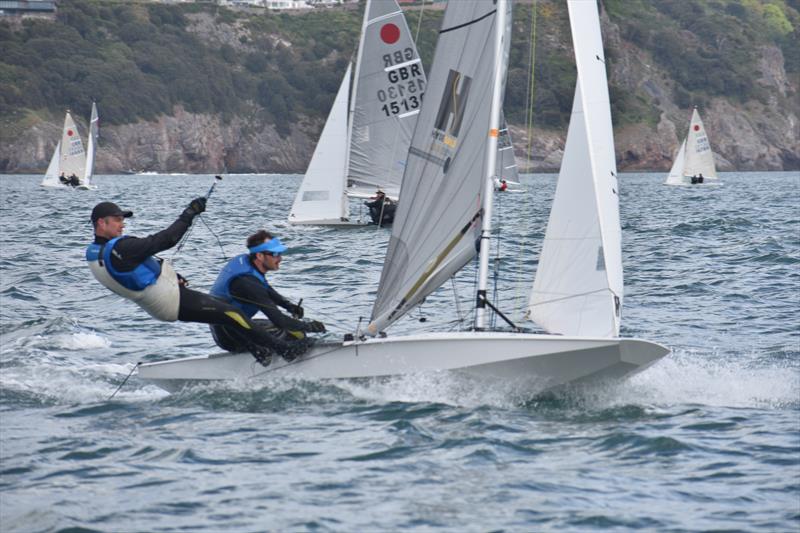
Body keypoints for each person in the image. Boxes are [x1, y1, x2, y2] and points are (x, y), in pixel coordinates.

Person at [85, 199, 285, 366]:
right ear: (102, 223)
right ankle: (285, 349)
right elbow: (166, 239)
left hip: (160, 301)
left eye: (123, 220)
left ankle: (258, 351)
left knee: (225, 314)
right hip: (170, 300)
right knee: (233, 313)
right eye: (118, 220)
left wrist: (172, 276)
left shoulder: (96, 253)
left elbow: (131, 271)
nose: (122, 224)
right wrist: (189, 214)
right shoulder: (123, 247)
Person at [209, 230, 326, 360]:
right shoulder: (247, 283)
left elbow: (265, 288)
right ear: (259, 256)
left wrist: (288, 306)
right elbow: (279, 320)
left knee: (294, 331)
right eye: (275, 254)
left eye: (280, 253)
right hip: (231, 338)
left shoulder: (248, 264)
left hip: (235, 328)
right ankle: (280, 358)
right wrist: (309, 326)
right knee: (296, 333)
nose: (280, 258)